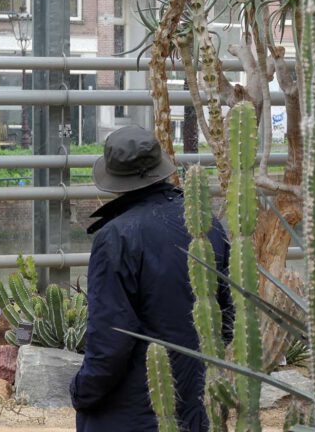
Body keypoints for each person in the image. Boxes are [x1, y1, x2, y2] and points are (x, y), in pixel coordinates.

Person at [70, 125, 233, 432]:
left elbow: (110, 340)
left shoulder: (116, 237)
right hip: (197, 403)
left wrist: (82, 392)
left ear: (115, 179)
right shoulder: (206, 224)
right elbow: (228, 316)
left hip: (132, 411)